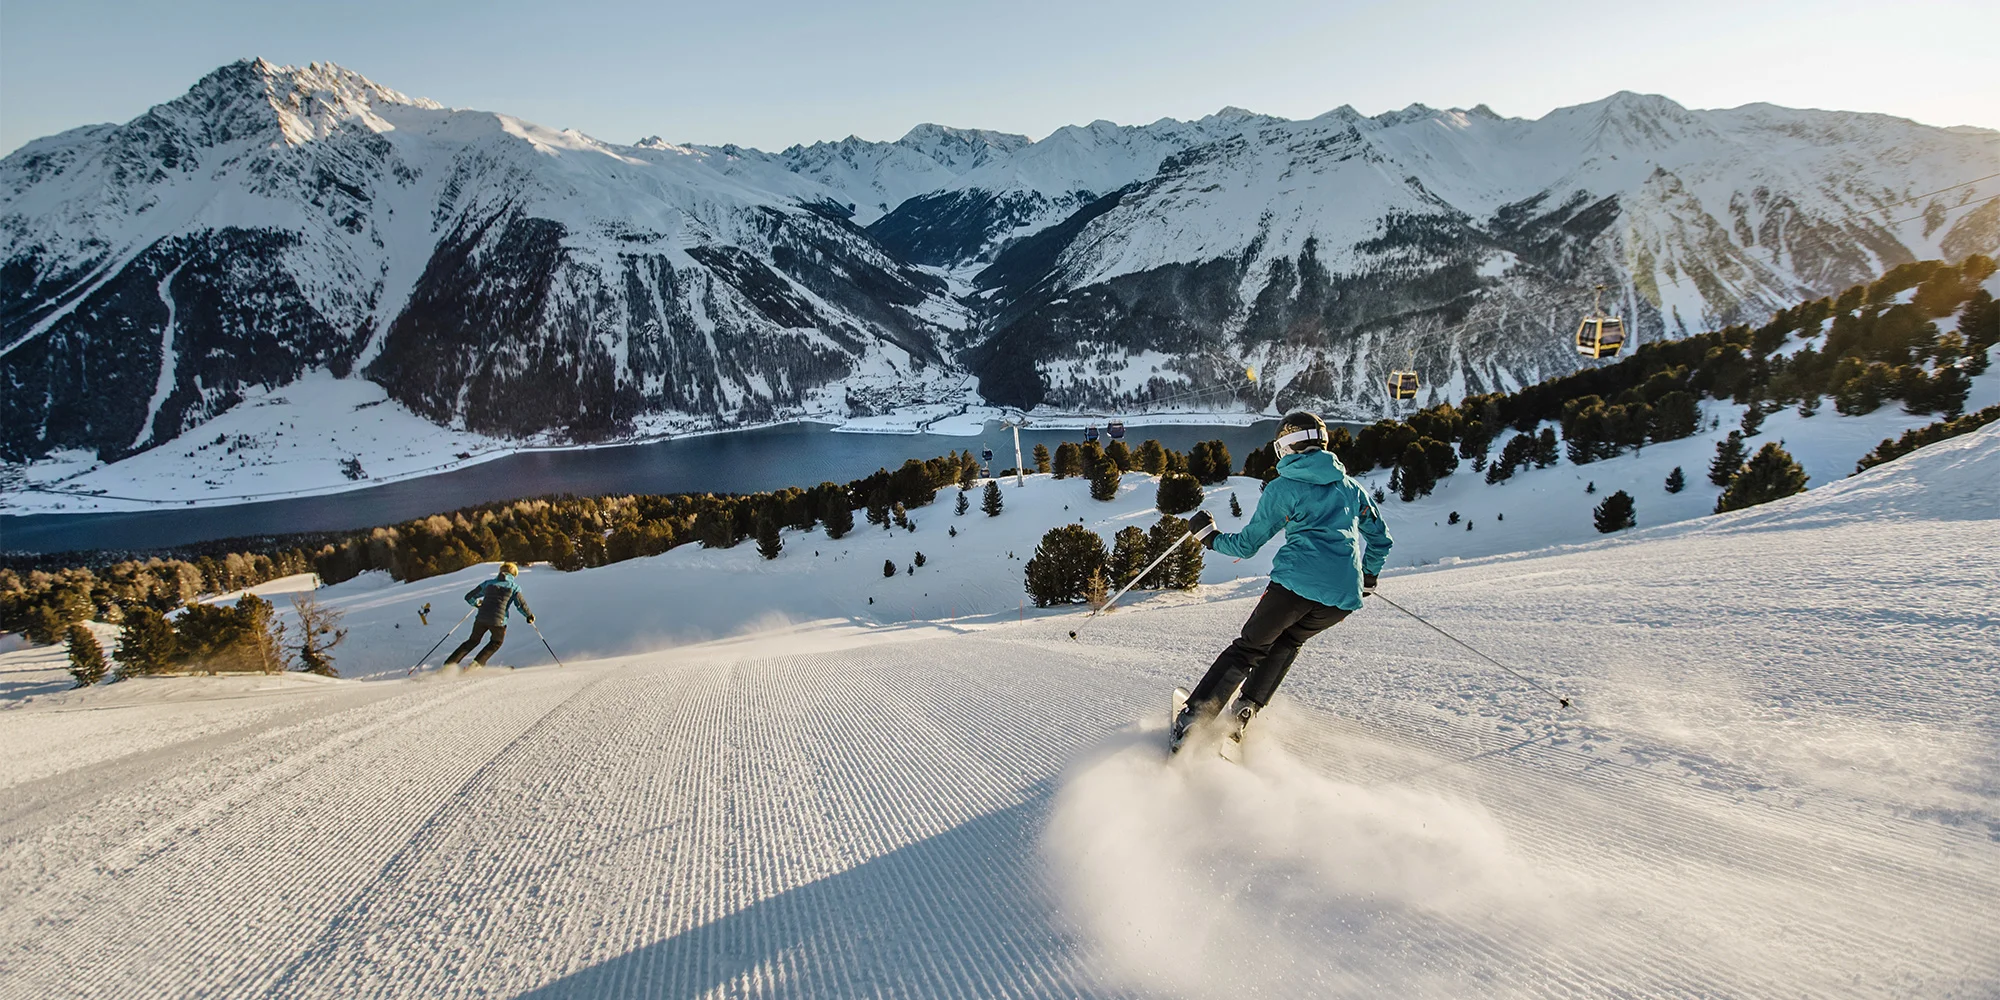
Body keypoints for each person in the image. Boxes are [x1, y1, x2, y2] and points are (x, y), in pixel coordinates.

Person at [1172, 411, 1393, 751]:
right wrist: (1369, 577)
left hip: (1293, 588)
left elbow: (1246, 546)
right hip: (1341, 600)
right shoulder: (1351, 488)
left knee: (1248, 649)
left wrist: (1209, 537)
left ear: (1288, 446)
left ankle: (1192, 722)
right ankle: (1244, 712)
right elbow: (1380, 539)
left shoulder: (1284, 488)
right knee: (1287, 643)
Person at [445, 562, 535, 668]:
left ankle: (448, 666)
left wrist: (477, 604)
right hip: (498, 621)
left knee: (472, 641)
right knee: (496, 642)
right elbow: (520, 605)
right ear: (514, 574)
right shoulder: (514, 587)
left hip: (481, 618)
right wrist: (529, 616)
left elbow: (469, 596)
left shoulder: (488, 583)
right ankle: (476, 665)